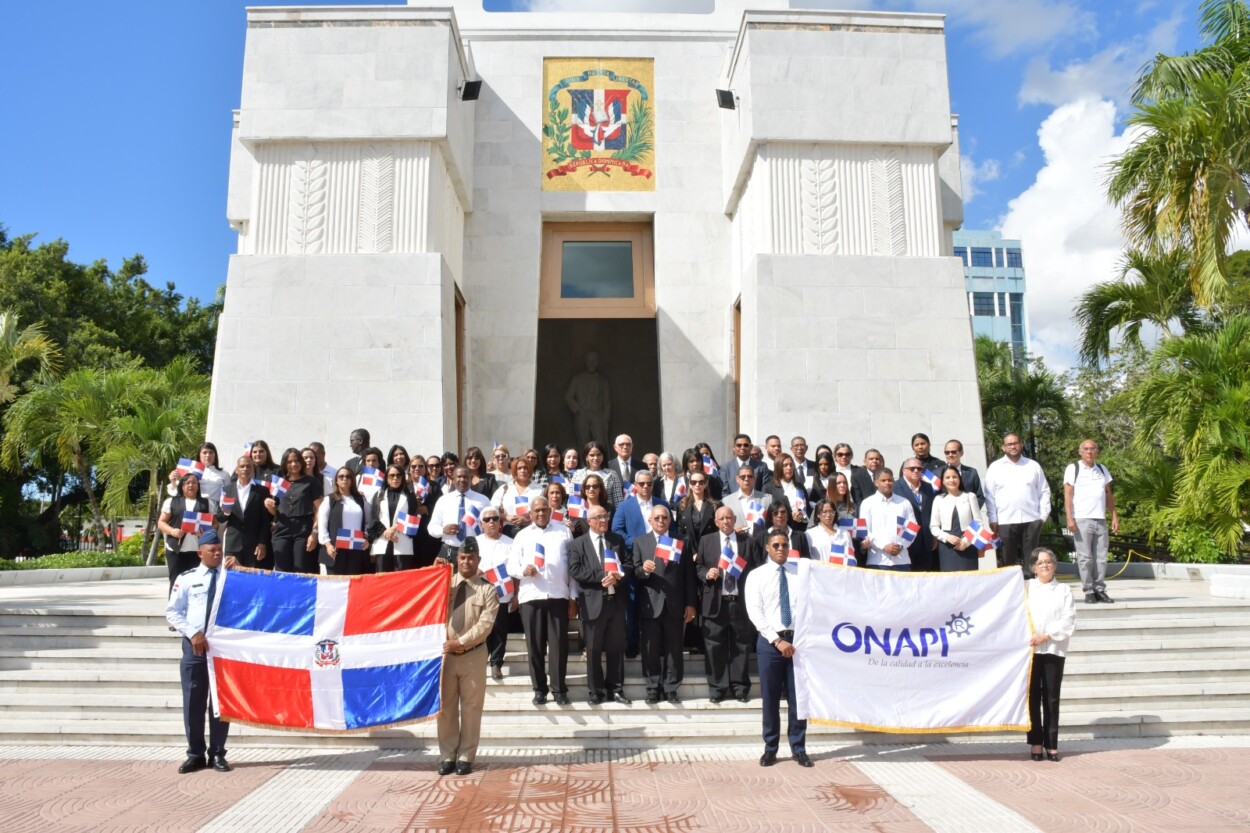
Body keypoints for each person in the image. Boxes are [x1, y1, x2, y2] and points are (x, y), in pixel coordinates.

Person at [165, 529, 231, 773]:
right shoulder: (187, 578)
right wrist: (193, 633)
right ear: (199, 553)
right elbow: (173, 611)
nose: (216, 554)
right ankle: (194, 754)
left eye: (219, 551)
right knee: (193, 701)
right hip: (195, 647)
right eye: (212, 551)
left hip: (222, 650)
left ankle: (217, 753)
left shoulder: (230, 576)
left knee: (219, 704)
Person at [746, 527, 813, 768]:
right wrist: (777, 640)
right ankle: (770, 748)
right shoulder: (757, 575)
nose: (781, 549)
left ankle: (799, 747)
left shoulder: (800, 573)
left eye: (785, 545)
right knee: (770, 698)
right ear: (767, 547)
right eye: (776, 545)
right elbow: (755, 612)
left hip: (798, 643)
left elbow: (809, 606)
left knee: (798, 699)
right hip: (770, 643)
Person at [437, 537, 500, 777]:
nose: (466, 562)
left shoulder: (487, 589)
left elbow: (485, 625)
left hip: (472, 655)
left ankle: (465, 756)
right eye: (462, 557)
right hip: (445, 657)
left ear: (478, 560)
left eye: (470, 558)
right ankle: (447, 755)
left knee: (472, 709)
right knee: (446, 708)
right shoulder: (444, 584)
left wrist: (460, 642)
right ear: (456, 558)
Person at [509, 497, 578, 705]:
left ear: (550, 511)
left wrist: (573, 596)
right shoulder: (521, 536)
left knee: (559, 646)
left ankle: (559, 689)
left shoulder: (563, 531)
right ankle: (539, 689)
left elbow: (572, 567)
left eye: (544, 509)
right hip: (531, 596)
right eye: (536, 510)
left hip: (557, 595)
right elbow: (511, 565)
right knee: (535, 646)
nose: (540, 513)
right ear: (530, 513)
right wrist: (523, 570)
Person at [567, 505, 633, 705]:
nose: (604, 520)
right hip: (592, 602)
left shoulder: (617, 540)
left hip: (616, 602)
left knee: (616, 648)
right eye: (599, 517)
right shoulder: (578, 544)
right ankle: (596, 691)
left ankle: (616, 689)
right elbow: (575, 570)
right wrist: (602, 576)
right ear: (589, 521)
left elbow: (629, 564)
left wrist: (618, 577)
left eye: (605, 516)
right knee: (593, 649)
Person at [632, 505, 697, 704]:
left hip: (675, 605)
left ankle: (671, 688)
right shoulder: (640, 542)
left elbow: (689, 576)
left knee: (674, 649)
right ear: (650, 520)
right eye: (657, 518)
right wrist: (643, 570)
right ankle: (652, 688)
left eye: (664, 517)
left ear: (670, 520)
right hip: (650, 604)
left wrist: (690, 604)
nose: (661, 521)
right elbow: (634, 572)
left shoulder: (681, 541)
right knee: (650, 649)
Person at [696, 506, 755, 703]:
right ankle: (717, 689)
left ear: (735, 519)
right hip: (715, 602)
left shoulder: (747, 541)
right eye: (721, 518)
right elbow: (699, 567)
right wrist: (706, 574)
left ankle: (740, 688)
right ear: (716, 521)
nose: (726, 521)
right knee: (714, 647)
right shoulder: (706, 541)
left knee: (742, 646)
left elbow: (755, 569)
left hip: (740, 602)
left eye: (729, 518)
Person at [1026, 547, 1076, 762]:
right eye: (1040, 562)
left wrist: (1046, 635)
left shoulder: (1064, 589)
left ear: (1054, 565)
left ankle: (1052, 744)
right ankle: (1036, 743)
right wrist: (1033, 637)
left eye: (1048, 561)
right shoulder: (1026, 587)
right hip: (1030, 650)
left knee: (1052, 698)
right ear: (1033, 568)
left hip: (1054, 648)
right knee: (1032, 699)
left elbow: (1068, 619)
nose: (1044, 565)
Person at [984, 433, 1052, 577]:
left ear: (1021, 444)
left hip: (1031, 519)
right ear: (1003, 447)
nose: (1013, 446)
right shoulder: (995, 468)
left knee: (1032, 559)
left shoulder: (1033, 466)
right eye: (1009, 444)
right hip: (1005, 520)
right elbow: (989, 496)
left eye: (1016, 443)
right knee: (1008, 559)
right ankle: (1011, 592)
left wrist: (1042, 516)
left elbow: (1044, 491)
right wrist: (993, 519)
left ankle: (1032, 589)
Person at [1064, 440, 1120, 604]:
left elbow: (1108, 494)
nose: (1089, 452)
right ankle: (1088, 591)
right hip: (1081, 518)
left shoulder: (1102, 469)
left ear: (1097, 452)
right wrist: (1069, 517)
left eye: (1092, 449)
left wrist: (1114, 515)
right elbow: (1068, 495)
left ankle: (1100, 589)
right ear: (1080, 452)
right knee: (1085, 558)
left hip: (1100, 519)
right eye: (1086, 449)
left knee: (1101, 557)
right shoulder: (1073, 469)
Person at [266, 447, 324, 574]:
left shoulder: (311, 482)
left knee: (301, 568)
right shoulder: (280, 482)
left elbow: (320, 509)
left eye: (296, 460)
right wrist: (269, 506)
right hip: (282, 529)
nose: (293, 464)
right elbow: (275, 511)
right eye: (289, 461)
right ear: (284, 464)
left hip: (303, 530)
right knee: (281, 570)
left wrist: (314, 533)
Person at [475, 508, 516, 682]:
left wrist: (517, 595)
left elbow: (515, 571)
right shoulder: (474, 542)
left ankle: (496, 663)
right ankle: (479, 662)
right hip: (479, 594)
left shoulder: (510, 543)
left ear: (501, 523)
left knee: (499, 629)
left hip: (503, 593)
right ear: (481, 524)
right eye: (487, 519)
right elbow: (464, 563)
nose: (491, 522)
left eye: (495, 519)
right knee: (482, 629)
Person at [159, 472, 218, 589]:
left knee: (197, 584)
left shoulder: (207, 503)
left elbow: (215, 524)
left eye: (194, 482)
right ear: (182, 486)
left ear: (198, 485)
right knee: (176, 583)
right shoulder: (171, 502)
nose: (191, 485)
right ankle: (175, 607)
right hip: (175, 550)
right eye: (187, 483)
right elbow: (161, 522)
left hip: (198, 551)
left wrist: (206, 533)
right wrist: (172, 531)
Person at [930, 465, 990, 572]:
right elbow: (934, 527)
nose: (951, 480)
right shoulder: (938, 499)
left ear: (959, 479)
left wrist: (967, 541)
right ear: (943, 481)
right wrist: (946, 537)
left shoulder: (970, 496)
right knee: (949, 581)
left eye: (954, 477)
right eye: (947, 477)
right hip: (947, 547)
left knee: (969, 580)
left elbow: (978, 523)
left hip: (967, 545)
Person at [216, 456, 271, 569]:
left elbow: (266, 521)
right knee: (232, 579)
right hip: (233, 543)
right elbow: (220, 517)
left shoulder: (262, 491)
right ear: (236, 470)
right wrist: (226, 513)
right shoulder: (227, 490)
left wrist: (262, 543)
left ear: (253, 469)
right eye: (242, 466)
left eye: (248, 466)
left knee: (252, 579)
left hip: (254, 545)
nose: (245, 469)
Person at [429, 465, 493, 563]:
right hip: (449, 552)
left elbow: (490, 527)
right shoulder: (443, 500)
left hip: (474, 552)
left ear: (471, 478)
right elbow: (431, 527)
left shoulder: (483, 500)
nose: (462, 479)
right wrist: (443, 530)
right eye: (459, 477)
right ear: (453, 479)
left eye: (465, 477)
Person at [318, 466, 374, 576]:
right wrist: (328, 545)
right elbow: (322, 524)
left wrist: (366, 537)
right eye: (341, 476)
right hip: (335, 549)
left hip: (356, 549)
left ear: (352, 480)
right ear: (336, 480)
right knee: (336, 583)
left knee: (353, 583)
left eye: (348, 476)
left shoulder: (360, 499)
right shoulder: (330, 499)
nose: (345, 479)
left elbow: (369, 521)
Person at [858, 468, 916, 571]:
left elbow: (912, 528)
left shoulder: (904, 502)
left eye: (890, 480)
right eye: (883, 480)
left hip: (901, 560)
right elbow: (865, 530)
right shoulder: (868, 503)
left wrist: (901, 545)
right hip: (878, 560)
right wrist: (884, 546)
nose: (887, 483)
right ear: (876, 482)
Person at [369, 464, 419, 573]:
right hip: (382, 542)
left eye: (398, 475)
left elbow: (413, 519)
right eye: (392, 476)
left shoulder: (410, 496)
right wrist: (385, 532)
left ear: (402, 478)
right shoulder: (378, 495)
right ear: (387, 478)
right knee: (382, 580)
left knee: (401, 581)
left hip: (402, 542)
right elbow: (372, 518)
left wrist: (395, 528)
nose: (395, 478)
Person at [894, 457, 938, 571]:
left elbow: (931, 512)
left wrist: (933, 536)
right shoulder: (895, 487)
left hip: (926, 541)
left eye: (919, 468)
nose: (916, 471)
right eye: (912, 468)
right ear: (904, 470)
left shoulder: (928, 487)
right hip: (905, 542)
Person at [565, 350, 611, 451]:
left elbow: (607, 402)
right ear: (585, 362)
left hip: (598, 416)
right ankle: (583, 464)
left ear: (598, 362)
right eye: (589, 361)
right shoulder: (577, 379)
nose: (592, 363)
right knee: (583, 443)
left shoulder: (603, 381)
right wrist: (578, 410)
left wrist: (605, 419)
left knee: (600, 444)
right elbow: (569, 396)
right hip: (582, 415)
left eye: (594, 361)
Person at [492, 455, 545, 537]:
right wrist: (506, 517)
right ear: (514, 470)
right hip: (507, 532)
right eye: (519, 468)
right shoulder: (504, 489)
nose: (522, 470)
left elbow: (544, 513)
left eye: (525, 468)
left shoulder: (539, 490)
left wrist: (527, 519)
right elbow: (492, 510)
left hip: (531, 532)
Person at [722, 465, 772, 535]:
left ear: (754, 478)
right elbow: (723, 524)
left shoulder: (767, 499)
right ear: (737, 479)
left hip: (761, 542)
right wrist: (732, 531)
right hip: (739, 542)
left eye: (750, 476)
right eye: (743, 477)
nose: (746, 479)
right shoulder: (726, 501)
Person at [765, 453, 809, 531]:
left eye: (791, 465)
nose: (789, 468)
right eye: (785, 465)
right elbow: (768, 512)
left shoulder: (800, 487)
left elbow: (807, 508)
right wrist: (789, 515)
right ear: (778, 467)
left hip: (800, 529)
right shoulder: (769, 488)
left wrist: (802, 515)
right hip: (780, 531)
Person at [574, 440, 625, 506]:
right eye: (592, 455)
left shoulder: (612, 474)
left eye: (599, 455)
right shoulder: (578, 474)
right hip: (583, 514)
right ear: (586, 457)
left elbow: (619, 501)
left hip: (607, 514)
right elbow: (574, 499)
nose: (596, 458)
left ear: (603, 456)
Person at [806, 499, 855, 563]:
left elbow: (851, 558)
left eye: (831, 511)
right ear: (818, 514)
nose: (828, 515)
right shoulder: (810, 534)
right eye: (824, 512)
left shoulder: (845, 534)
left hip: (840, 571)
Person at [942, 439, 984, 504]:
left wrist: (969, 510)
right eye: (947, 452)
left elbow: (980, 497)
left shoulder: (972, 473)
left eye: (953, 452)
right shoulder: (938, 473)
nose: (950, 455)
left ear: (961, 453)